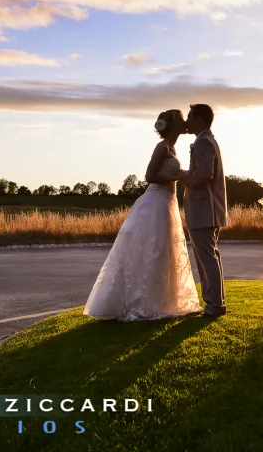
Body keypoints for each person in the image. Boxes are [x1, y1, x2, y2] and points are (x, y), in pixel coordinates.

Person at [83, 109, 202, 321]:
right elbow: (149, 176)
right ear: (172, 124)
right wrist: (174, 176)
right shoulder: (162, 147)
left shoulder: (172, 148)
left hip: (168, 201)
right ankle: (139, 302)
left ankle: (161, 299)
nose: (184, 121)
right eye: (180, 118)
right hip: (156, 201)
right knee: (151, 248)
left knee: (163, 250)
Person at [178, 103, 228, 317]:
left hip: (203, 210)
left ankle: (215, 306)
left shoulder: (203, 142)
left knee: (207, 259)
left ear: (199, 119)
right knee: (211, 258)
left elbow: (204, 174)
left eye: (190, 117)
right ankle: (216, 304)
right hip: (209, 210)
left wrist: (180, 175)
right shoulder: (208, 140)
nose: (187, 122)